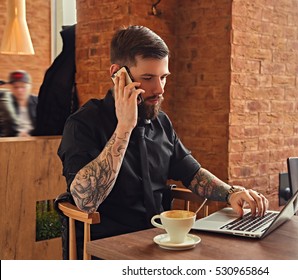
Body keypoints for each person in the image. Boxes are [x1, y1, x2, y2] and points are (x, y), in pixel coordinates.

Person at [58, 25, 268, 258]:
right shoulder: (82, 124)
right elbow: (85, 201)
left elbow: (192, 173)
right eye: (147, 78)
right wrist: (124, 127)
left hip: (160, 241)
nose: (159, 89)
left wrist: (231, 193)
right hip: (105, 248)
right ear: (118, 74)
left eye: (163, 77)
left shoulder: (160, 121)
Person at [0, 70, 37, 137]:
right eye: (15, 87)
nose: (19, 90)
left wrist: (30, 134)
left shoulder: (38, 102)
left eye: (23, 87)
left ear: (30, 86)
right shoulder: (5, 103)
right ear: (10, 87)